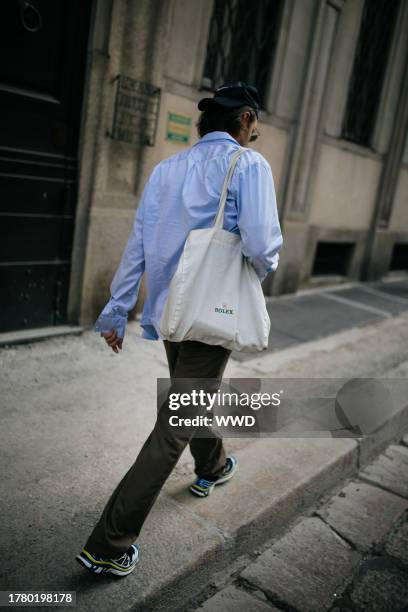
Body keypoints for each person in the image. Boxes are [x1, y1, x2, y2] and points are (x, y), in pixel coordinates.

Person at [75, 81, 283, 577]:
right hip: (214, 313)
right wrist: (254, 271)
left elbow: (138, 245)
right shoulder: (249, 165)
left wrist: (117, 310)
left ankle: (213, 466)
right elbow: (262, 244)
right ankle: (109, 543)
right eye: (257, 123)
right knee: (176, 423)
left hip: (170, 311)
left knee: (187, 399)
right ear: (248, 120)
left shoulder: (167, 169)